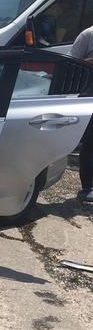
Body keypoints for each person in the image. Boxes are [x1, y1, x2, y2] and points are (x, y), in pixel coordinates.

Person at [70, 26, 93, 203]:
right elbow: (70, 64)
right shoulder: (88, 35)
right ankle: (88, 187)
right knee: (91, 143)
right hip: (89, 96)